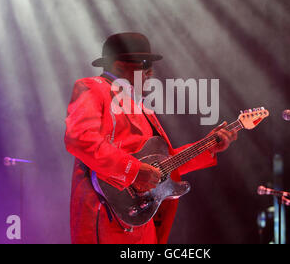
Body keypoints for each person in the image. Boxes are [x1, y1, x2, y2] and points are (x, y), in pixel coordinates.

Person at [64, 32, 237, 244]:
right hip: (108, 218)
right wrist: (134, 171)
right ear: (118, 66)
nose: (150, 72)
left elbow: (164, 165)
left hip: (143, 221)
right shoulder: (93, 88)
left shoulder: (142, 106)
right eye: (144, 64)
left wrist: (209, 146)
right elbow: (80, 139)